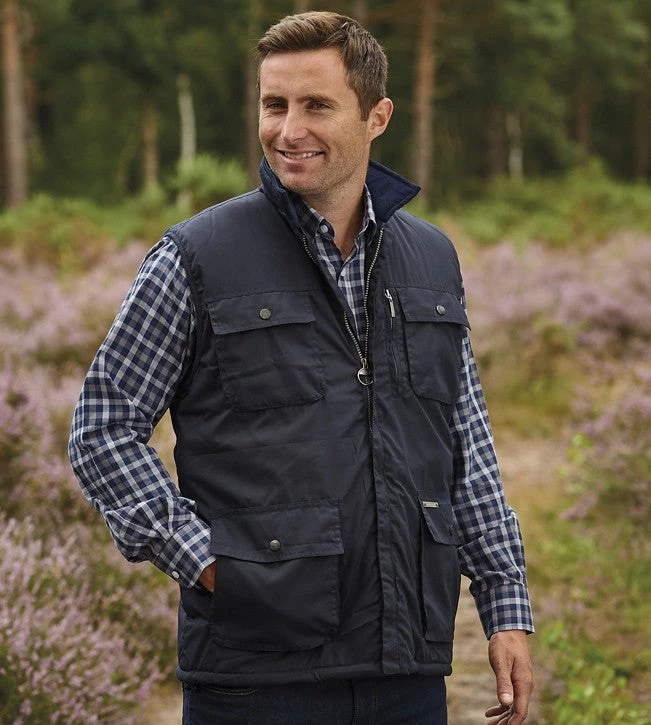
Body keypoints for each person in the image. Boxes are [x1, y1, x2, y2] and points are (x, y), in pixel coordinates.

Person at [69, 11, 533, 725]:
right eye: (274, 104)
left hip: (406, 672)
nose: (289, 130)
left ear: (376, 117)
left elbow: (464, 445)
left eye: (316, 105)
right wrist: (211, 563)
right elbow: (102, 428)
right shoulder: (196, 257)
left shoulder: (432, 259)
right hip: (255, 678)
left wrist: (505, 605)